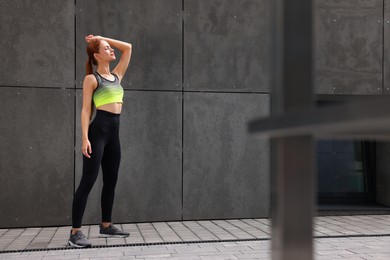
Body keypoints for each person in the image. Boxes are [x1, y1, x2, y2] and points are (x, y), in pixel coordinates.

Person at [68, 35, 132, 248]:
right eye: (106, 48)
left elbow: (128, 47)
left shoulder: (117, 75)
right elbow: (86, 110)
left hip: (114, 134)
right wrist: (85, 137)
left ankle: (106, 225)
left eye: (110, 48)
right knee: (88, 180)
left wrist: (103, 38)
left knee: (111, 181)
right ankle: (75, 233)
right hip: (98, 134)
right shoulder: (92, 79)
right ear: (97, 55)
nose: (112, 50)